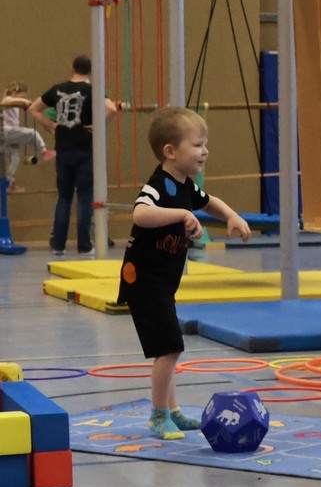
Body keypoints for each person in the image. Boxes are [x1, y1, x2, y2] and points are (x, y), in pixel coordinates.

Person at [117, 106, 252, 440]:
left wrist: (231, 216)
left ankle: (172, 412)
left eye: (205, 144)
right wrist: (181, 214)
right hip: (144, 281)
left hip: (163, 283)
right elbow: (140, 214)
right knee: (170, 348)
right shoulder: (158, 185)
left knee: (168, 349)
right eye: (197, 145)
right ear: (171, 151)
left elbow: (209, 200)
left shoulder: (186, 185)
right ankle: (158, 416)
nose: (205, 151)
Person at [28, 55, 117, 255]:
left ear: (72, 68)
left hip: (63, 148)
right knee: (85, 197)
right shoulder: (92, 90)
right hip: (84, 148)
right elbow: (111, 108)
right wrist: (98, 126)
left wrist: (51, 125)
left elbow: (34, 108)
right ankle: (84, 245)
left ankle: (58, 245)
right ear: (90, 71)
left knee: (64, 197)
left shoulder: (58, 89)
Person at [1, 81, 56, 193]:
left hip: (11, 133)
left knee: (15, 158)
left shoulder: (14, 102)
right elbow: (8, 101)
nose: (23, 98)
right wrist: (24, 101)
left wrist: (24, 104)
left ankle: (10, 184)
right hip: (7, 131)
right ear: (15, 92)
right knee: (32, 133)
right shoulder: (7, 99)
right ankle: (44, 151)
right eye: (22, 96)